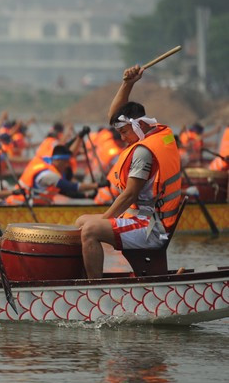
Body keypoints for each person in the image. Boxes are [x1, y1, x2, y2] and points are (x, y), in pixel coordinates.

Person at [76, 65, 182, 279]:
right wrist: (127, 83)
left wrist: (105, 220)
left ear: (137, 125)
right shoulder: (148, 134)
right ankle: (82, 275)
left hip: (152, 228)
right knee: (80, 222)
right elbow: (115, 116)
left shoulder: (144, 151)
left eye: (124, 132)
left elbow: (130, 195)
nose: (122, 137)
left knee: (90, 230)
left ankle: (94, 289)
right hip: (139, 219)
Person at [5, 142, 98, 205]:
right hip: (19, 205)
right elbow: (71, 187)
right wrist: (97, 185)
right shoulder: (49, 174)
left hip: (24, 203)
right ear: (57, 160)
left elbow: (64, 192)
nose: (67, 165)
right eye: (65, 162)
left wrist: (87, 196)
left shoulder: (44, 162)